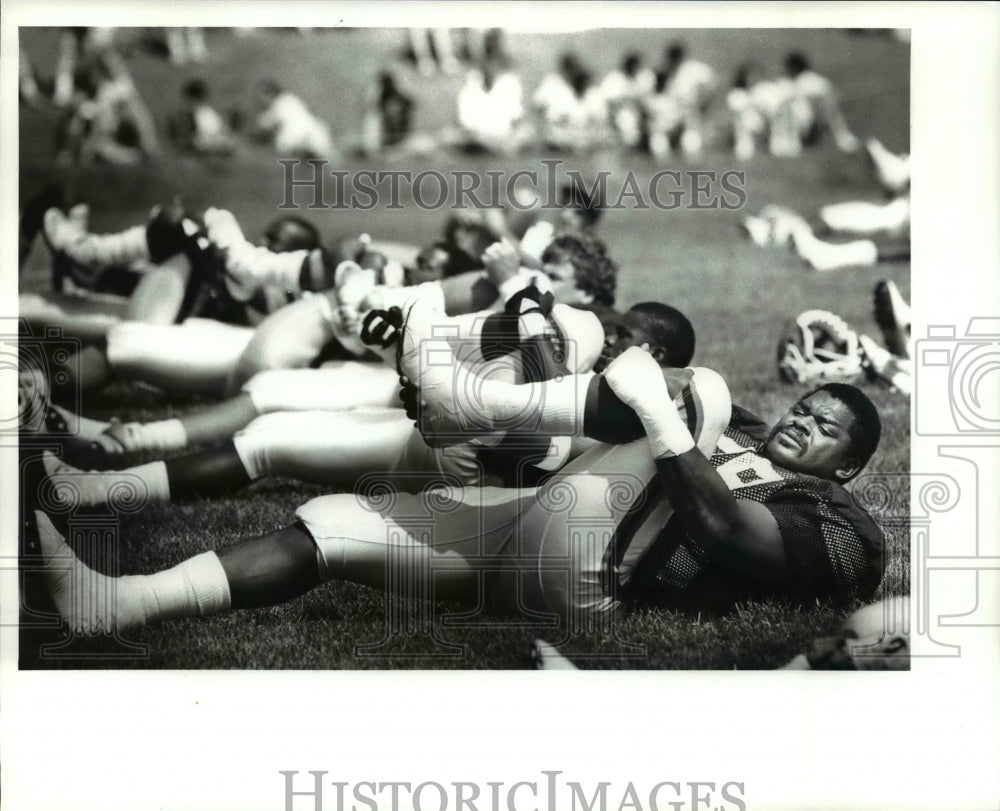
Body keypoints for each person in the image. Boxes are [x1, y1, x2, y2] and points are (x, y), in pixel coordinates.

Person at [30, 296, 883, 636]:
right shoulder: (755, 437)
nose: (804, 422)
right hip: (532, 528)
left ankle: (462, 398)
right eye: (808, 407)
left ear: (846, 471)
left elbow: (730, 530)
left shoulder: (843, 529)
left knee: (698, 394)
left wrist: (667, 418)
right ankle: (118, 601)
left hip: (604, 582)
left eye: (827, 429)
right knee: (328, 525)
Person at [253, 79, 336, 160]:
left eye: (262, 96)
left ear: (269, 94)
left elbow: (266, 123)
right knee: (325, 153)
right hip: (316, 131)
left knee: (281, 146)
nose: (261, 100)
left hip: (297, 135)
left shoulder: (278, 105)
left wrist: (261, 123)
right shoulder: (291, 99)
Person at [168, 78, 236, 155]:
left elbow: (195, 142)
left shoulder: (195, 115)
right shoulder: (212, 114)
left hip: (205, 148)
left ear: (190, 98)